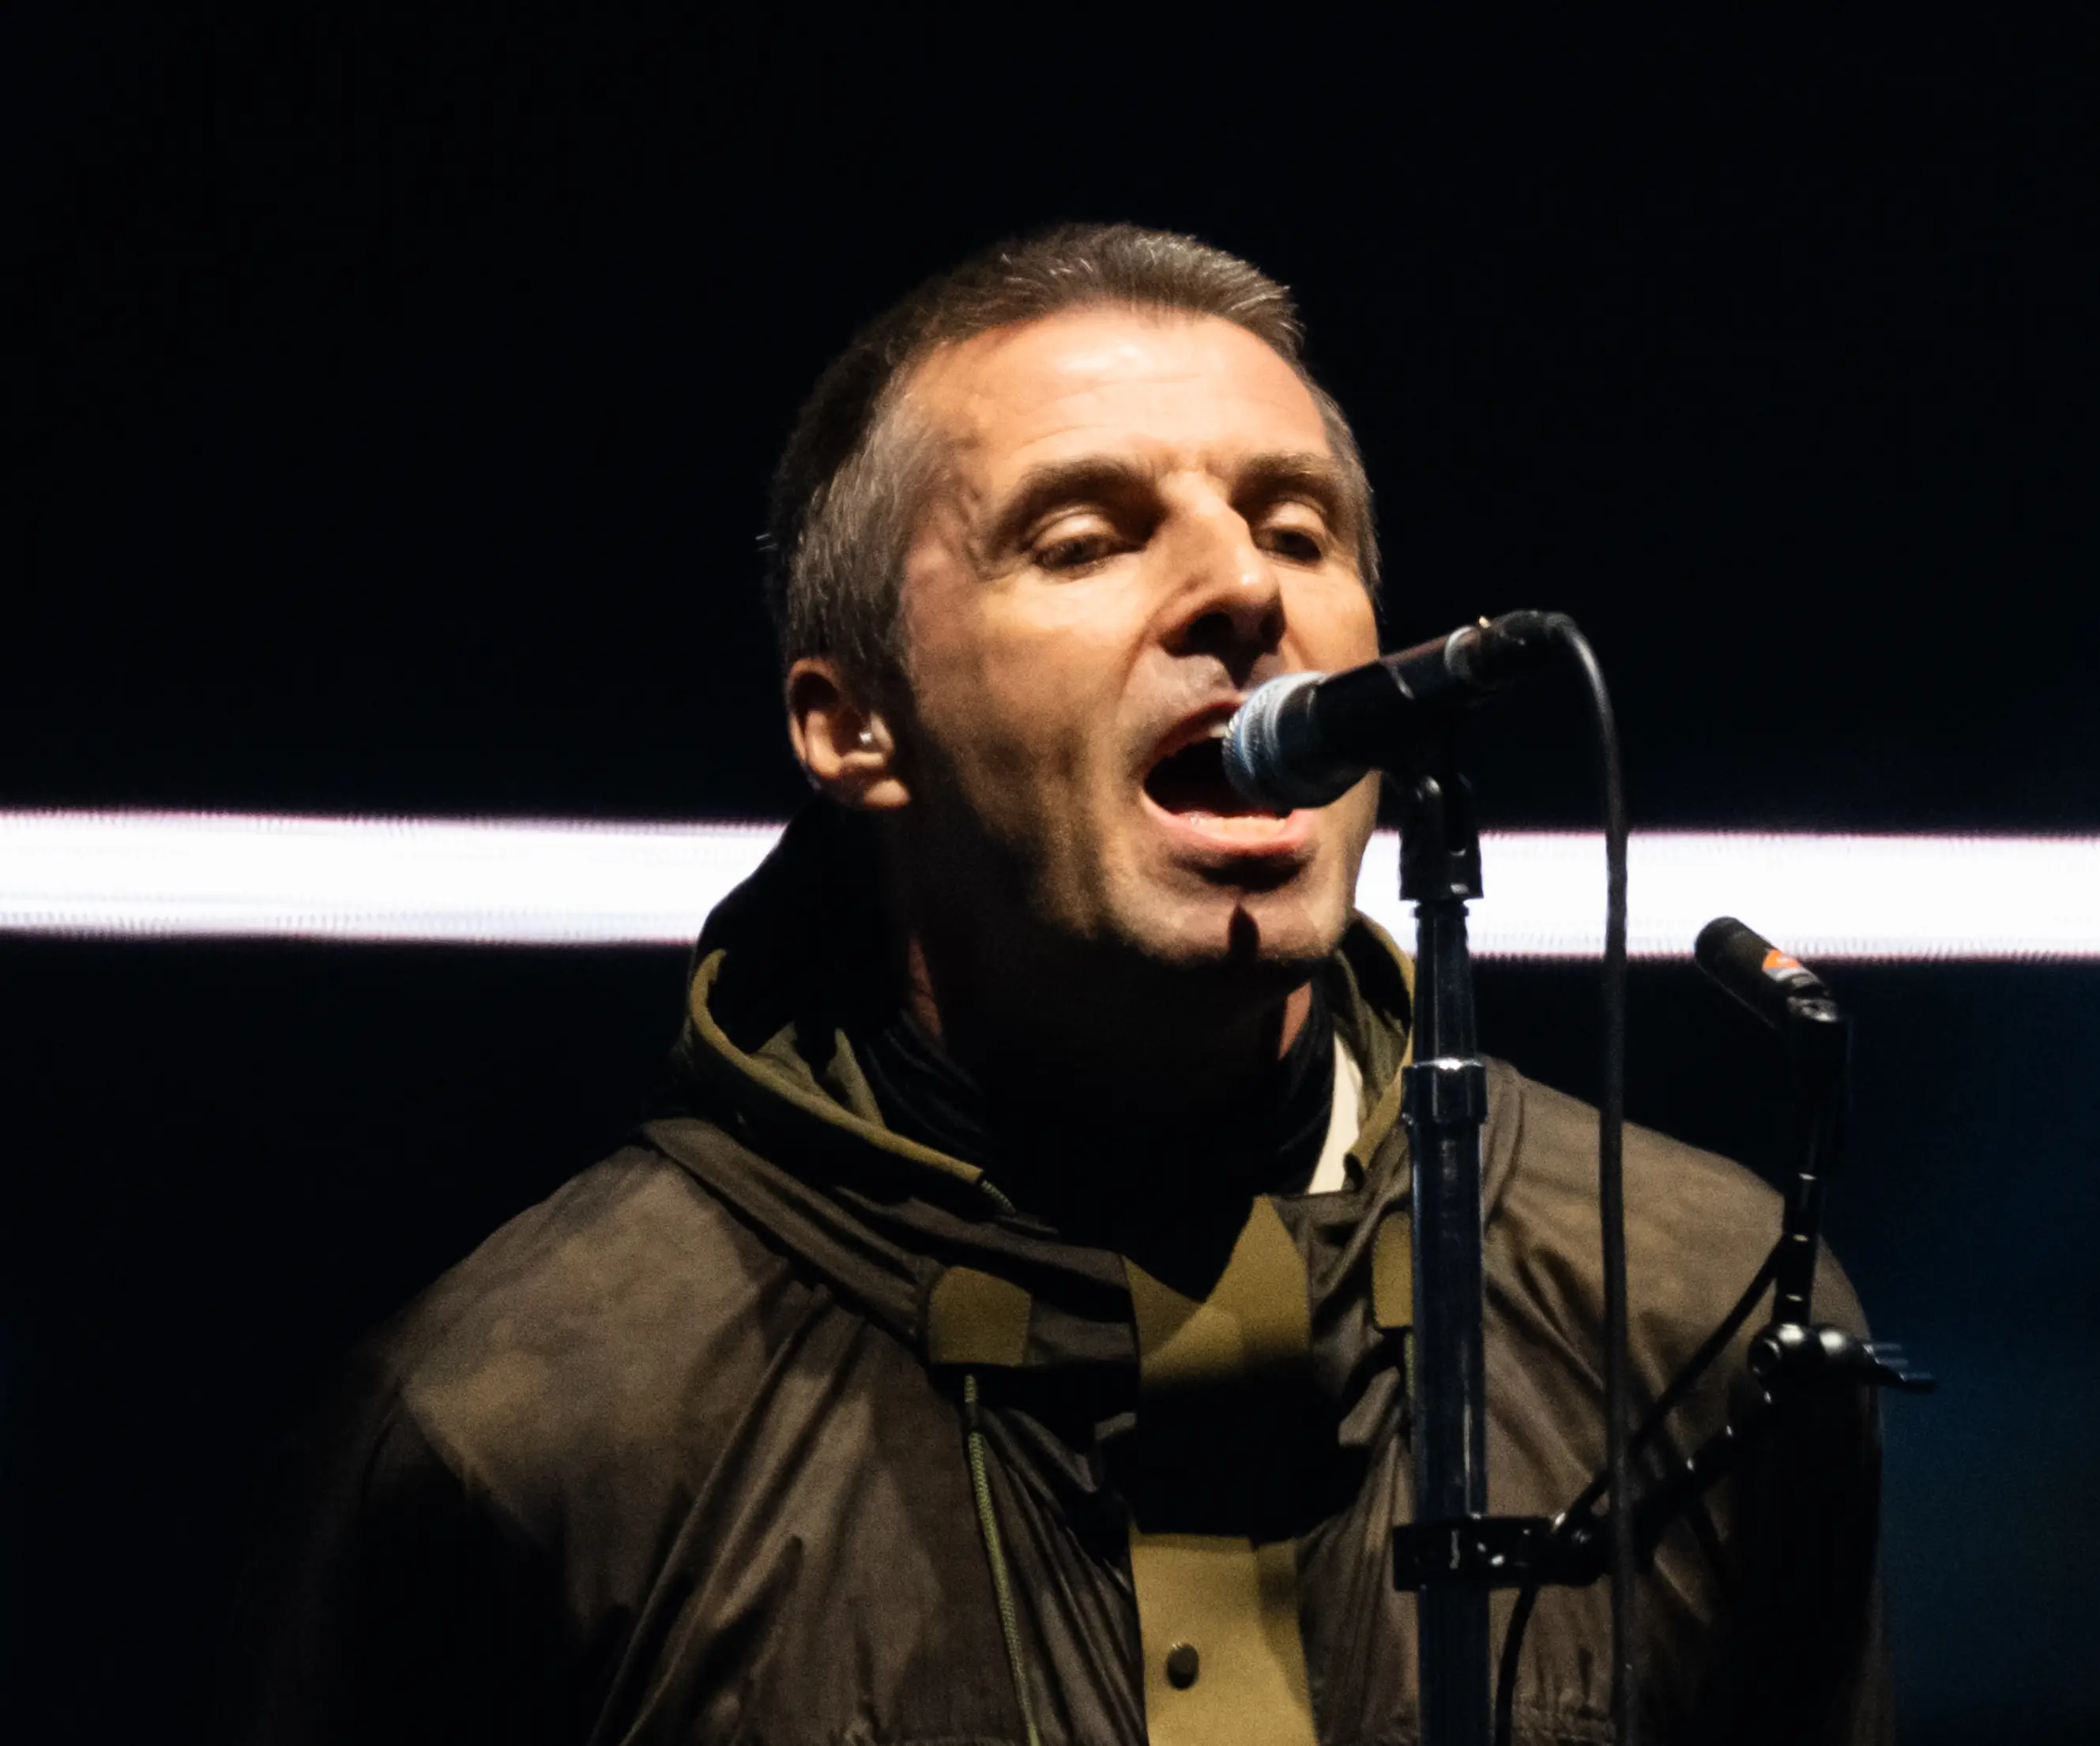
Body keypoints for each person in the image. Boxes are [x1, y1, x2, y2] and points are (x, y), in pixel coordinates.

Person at [228, 224, 1887, 1745]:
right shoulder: (528, 1420)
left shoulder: (1699, 1311)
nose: (1245, 588)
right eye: (1085, 537)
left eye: (1297, 526)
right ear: (852, 723)